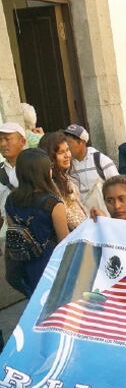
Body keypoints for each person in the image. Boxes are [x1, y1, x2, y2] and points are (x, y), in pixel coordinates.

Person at [4, 149, 69, 296]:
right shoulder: (53, 203)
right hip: (50, 263)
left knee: (37, 305)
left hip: (25, 263)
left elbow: (14, 230)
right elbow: (64, 241)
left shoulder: (11, 200)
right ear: (43, 172)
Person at [37, 132, 88, 231]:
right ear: (50, 157)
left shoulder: (64, 177)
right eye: (60, 153)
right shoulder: (51, 184)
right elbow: (69, 216)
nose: (67, 155)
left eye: (67, 150)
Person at [64, 124, 118, 206]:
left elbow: (117, 185)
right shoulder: (68, 164)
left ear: (81, 142)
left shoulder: (100, 160)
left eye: (69, 143)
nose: (67, 146)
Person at [0, 123, 26, 216]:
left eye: (7, 139)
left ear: (22, 141)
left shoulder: (34, 167)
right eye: (0, 140)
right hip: (8, 228)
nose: (2, 144)